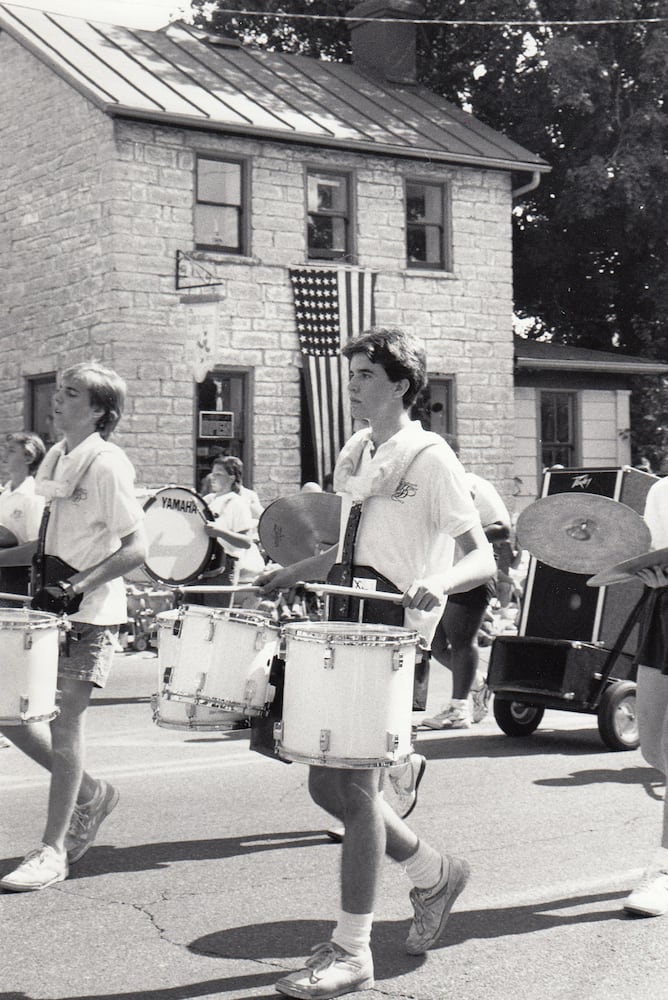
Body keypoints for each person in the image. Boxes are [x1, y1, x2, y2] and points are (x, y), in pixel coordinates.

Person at [256, 327, 496, 998]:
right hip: (341, 616)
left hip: (388, 631)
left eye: (365, 373)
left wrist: (442, 584)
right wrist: (285, 576)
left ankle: (353, 950)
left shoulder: (431, 456)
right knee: (324, 787)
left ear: (399, 384)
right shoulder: (355, 450)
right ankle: (434, 873)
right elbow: (343, 549)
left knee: (354, 793)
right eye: (352, 372)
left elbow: (481, 554)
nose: (354, 382)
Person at [0, 362, 147, 892]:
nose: (57, 399)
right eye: (58, 390)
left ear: (102, 411)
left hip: (89, 615)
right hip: (48, 611)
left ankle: (52, 849)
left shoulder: (107, 465)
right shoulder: (59, 456)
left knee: (64, 726)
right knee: (11, 714)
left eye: (72, 393)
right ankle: (90, 792)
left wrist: (79, 584)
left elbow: (137, 548)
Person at [423, 435, 511, 730]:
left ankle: (458, 709)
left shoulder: (473, 484)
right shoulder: (428, 488)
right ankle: (478, 683)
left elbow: (503, 528)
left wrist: (466, 535)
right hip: (436, 576)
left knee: (462, 642)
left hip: (470, 574)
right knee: (433, 645)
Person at [623, 472, 668, 917]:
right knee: (653, 748)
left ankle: (665, 867)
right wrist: (648, 573)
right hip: (664, 609)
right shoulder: (661, 491)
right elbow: (647, 554)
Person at [194, 455, 254, 607]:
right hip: (200, 563)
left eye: (218, 474)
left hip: (224, 566)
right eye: (213, 473)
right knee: (192, 614)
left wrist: (220, 532)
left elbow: (246, 542)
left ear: (232, 477)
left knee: (215, 617)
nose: (212, 478)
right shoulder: (208, 500)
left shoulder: (237, 503)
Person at [0, 432, 47, 598]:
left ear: (28, 458)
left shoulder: (34, 497)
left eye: (11, 451)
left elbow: (36, 549)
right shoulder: (4, 494)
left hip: (17, 583)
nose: (4, 455)